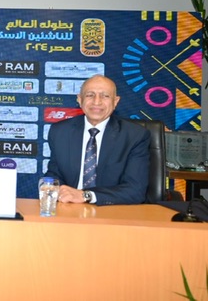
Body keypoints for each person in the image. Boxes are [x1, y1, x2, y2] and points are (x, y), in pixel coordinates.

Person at [45, 74, 150, 205]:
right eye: (90, 95)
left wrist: (86, 196)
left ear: (115, 101)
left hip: (112, 211)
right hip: (69, 208)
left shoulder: (134, 135)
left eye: (105, 96)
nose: (96, 102)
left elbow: (135, 191)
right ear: (80, 99)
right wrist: (58, 191)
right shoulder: (60, 131)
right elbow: (54, 176)